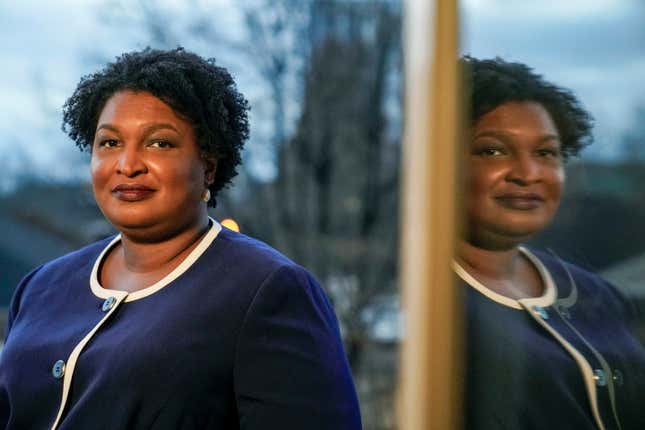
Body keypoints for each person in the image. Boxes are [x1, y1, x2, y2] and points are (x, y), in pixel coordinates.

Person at [0, 47, 362, 430]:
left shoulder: (268, 291)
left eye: (159, 143)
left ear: (207, 166)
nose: (128, 164)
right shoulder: (41, 286)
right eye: (109, 143)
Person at [456, 56, 645, 430]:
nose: (528, 174)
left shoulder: (599, 296)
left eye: (546, 153)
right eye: (493, 150)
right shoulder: (426, 307)